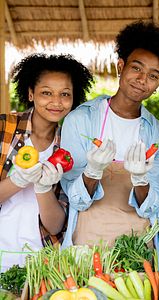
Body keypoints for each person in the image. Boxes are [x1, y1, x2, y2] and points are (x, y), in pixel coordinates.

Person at [60, 20, 159, 266]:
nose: (142, 79)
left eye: (153, 76)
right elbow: (75, 198)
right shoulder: (80, 120)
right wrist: (92, 171)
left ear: (158, 84)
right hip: (87, 241)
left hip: (138, 246)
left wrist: (141, 179)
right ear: (121, 66)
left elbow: (152, 206)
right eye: (136, 68)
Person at [0, 53, 94, 271]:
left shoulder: (70, 147)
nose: (56, 102)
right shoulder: (4, 128)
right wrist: (18, 181)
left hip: (41, 262)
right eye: (46, 93)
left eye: (64, 94)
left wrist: (43, 189)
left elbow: (55, 225)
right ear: (31, 93)